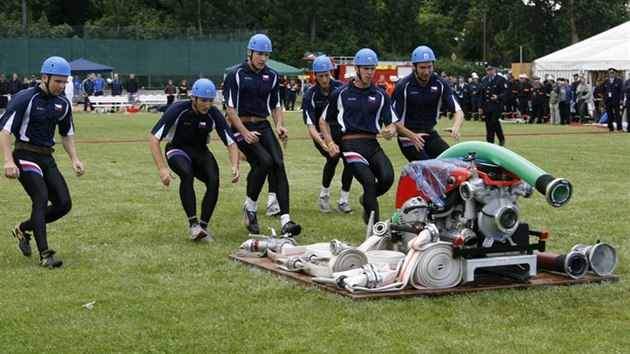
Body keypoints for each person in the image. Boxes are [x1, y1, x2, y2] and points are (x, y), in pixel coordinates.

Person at [320, 48, 425, 224]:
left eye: (372, 68)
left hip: (372, 144)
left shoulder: (381, 95)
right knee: (368, 181)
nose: (370, 73)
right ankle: (375, 228)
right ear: (358, 69)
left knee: (387, 178)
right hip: (350, 145)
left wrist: (391, 129)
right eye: (366, 68)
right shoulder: (341, 93)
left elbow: (391, 121)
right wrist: (330, 142)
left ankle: (366, 200)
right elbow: (323, 121)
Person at [0, 56, 85, 268]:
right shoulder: (24, 98)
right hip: (25, 154)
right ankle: (45, 254)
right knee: (41, 198)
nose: (62, 86)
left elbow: (66, 134)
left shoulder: (63, 103)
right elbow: (4, 131)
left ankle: (22, 228)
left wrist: (75, 158)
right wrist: (8, 161)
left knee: (64, 204)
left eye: (65, 82)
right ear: (44, 77)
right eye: (58, 81)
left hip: (47, 157)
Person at [223, 33, 301, 236]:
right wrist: (244, 132)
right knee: (264, 162)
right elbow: (230, 110)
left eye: (267, 55)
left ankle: (286, 220)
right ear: (250, 52)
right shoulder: (235, 74)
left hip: (263, 124)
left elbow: (276, 105)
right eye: (260, 54)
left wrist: (280, 126)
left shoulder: (273, 76)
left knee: (278, 163)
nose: (263, 58)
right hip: (240, 125)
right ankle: (251, 208)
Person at [150, 78, 240, 242]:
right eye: (203, 101)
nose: (207, 105)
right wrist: (162, 168)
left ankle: (203, 229)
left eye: (210, 101)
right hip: (177, 149)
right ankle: (193, 225)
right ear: (193, 98)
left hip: (200, 151)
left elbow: (231, 142)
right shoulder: (178, 108)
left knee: (214, 180)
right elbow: (154, 139)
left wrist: (235, 165)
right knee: (187, 173)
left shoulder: (213, 113)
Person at [391, 45, 463, 162]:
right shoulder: (403, 86)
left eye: (429, 67)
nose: (426, 71)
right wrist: (411, 135)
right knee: (427, 167)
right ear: (414, 67)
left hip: (430, 133)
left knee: (452, 161)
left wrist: (456, 126)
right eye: (422, 67)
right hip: (408, 136)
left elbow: (458, 111)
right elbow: (393, 119)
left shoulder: (440, 83)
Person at [301, 55, 353, 213]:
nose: (324, 79)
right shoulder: (309, 95)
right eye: (321, 75)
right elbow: (310, 126)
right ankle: (324, 195)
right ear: (314, 75)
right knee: (333, 157)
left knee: (350, 160)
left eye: (327, 74)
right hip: (320, 132)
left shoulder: (341, 87)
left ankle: (344, 200)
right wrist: (324, 143)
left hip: (340, 129)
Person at [480, 62, 506, 146]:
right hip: (487, 105)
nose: (489, 72)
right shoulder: (485, 80)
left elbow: (505, 92)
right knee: (488, 123)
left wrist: (498, 97)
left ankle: (501, 138)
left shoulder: (500, 79)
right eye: (487, 70)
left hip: (496, 105)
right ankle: (490, 141)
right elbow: (482, 94)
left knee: (495, 121)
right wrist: (480, 107)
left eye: (490, 70)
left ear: (494, 70)